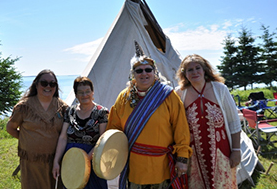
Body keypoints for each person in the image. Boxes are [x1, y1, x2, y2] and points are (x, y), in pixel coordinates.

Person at [106, 41, 192, 189]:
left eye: (148, 69)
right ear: (133, 75)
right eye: (139, 71)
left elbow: (181, 128)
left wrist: (182, 159)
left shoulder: (168, 96)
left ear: (154, 72)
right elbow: (114, 129)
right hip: (135, 168)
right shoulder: (123, 98)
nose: (144, 74)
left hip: (161, 166)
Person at [175, 54, 241, 189]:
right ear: (184, 74)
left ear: (204, 70)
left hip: (222, 151)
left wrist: (236, 150)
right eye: (190, 70)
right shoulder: (180, 94)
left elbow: (233, 122)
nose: (194, 72)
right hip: (194, 155)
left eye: (197, 68)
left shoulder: (220, 89)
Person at [6, 69, 68, 189]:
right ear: (36, 84)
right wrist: (27, 138)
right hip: (31, 162)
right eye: (44, 83)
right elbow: (11, 128)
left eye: (52, 84)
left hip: (55, 161)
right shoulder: (24, 107)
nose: (48, 86)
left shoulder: (63, 108)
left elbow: (65, 134)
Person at [52, 76, 109, 189]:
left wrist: (85, 161)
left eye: (87, 91)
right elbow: (63, 137)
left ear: (92, 92)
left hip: (92, 160)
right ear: (76, 95)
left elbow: (102, 141)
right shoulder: (70, 111)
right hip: (71, 161)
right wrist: (56, 161)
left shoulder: (101, 112)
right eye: (80, 92)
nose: (84, 95)